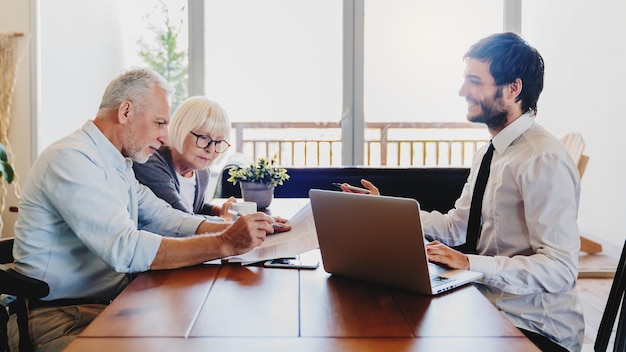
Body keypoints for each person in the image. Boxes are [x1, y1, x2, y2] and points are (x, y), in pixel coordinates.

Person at [7, 68, 290, 352]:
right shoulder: (72, 159)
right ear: (126, 112)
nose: (166, 137)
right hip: (58, 319)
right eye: (159, 123)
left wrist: (238, 228)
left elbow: (163, 216)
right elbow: (125, 249)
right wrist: (225, 243)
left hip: (107, 305)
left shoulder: (119, 164)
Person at [341, 33, 584, 351]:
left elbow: (560, 269)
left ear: (513, 88)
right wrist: (384, 209)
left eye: (474, 81)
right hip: (488, 307)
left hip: (534, 330)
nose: (462, 91)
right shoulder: (491, 153)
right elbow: (458, 225)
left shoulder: (542, 158)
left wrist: (470, 264)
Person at [133, 95, 236, 221]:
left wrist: (217, 211)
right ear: (181, 129)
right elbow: (181, 219)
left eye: (219, 142)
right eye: (204, 138)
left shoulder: (202, 172)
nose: (211, 149)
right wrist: (223, 220)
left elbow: (193, 208)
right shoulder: (151, 162)